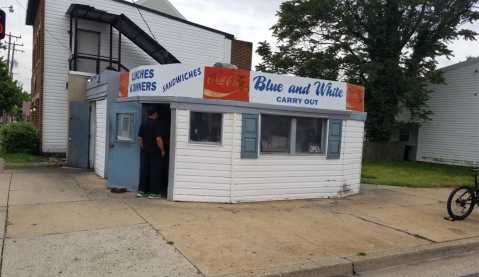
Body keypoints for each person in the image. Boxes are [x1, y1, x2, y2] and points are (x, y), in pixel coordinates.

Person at [137, 106, 166, 199]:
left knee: (144, 170)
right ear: (155, 114)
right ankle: (153, 193)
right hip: (155, 151)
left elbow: (140, 138)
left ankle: (141, 191)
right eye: (156, 113)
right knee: (155, 172)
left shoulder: (143, 123)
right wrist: (162, 150)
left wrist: (143, 147)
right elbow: (158, 138)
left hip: (145, 150)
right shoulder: (157, 124)